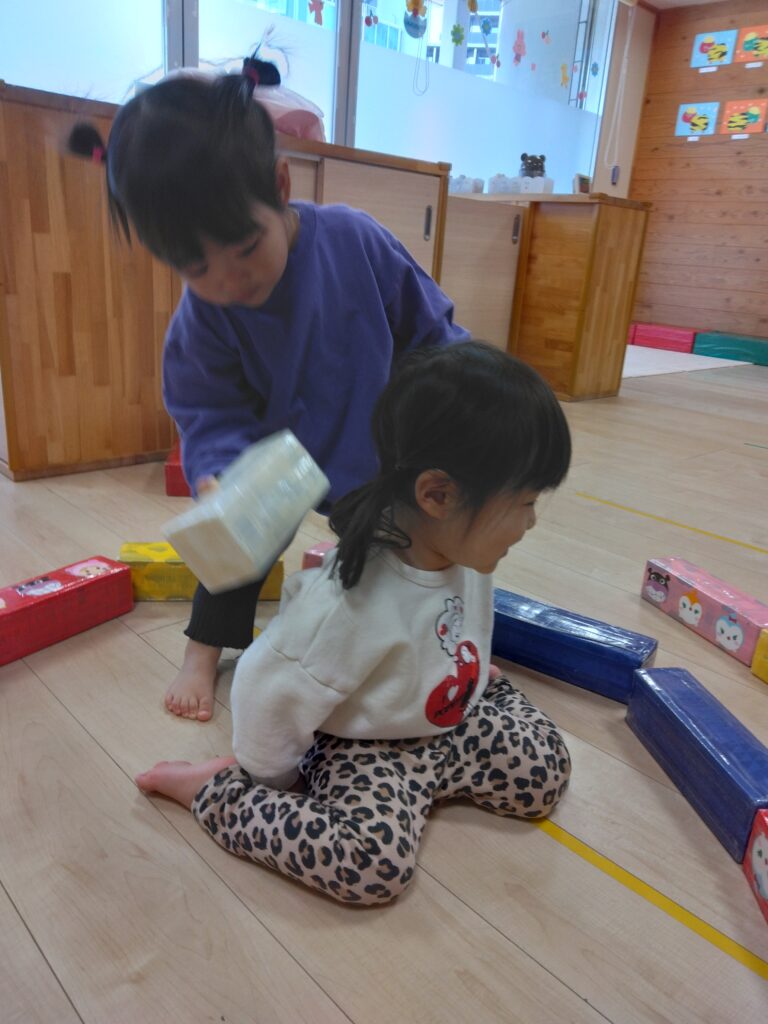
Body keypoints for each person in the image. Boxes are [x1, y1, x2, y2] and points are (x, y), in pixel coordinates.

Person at [68, 56, 469, 723]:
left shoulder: (354, 240)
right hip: (275, 459)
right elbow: (207, 409)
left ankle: (415, 643)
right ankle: (203, 650)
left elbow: (430, 327)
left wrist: (463, 395)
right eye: (198, 268)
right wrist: (220, 474)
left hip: (376, 448)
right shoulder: (204, 318)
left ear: (281, 186)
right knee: (235, 550)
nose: (230, 280)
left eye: (245, 248)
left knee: (399, 552)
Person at [135, 341, 573, 906]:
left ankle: (480, 688)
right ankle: (213, 792)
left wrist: (469, 675)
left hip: (443, 719)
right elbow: (265, 688)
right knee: (371, 865)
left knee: (545, 769)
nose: (531, 522)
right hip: (368, 747)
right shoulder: (348, 603)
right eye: (526, 503)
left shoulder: (464, 550)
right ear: (438, 495)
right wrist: (273, 780)